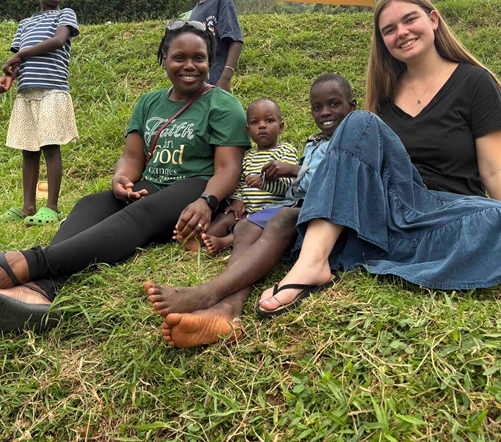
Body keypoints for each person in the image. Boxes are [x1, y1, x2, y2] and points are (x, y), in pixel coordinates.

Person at [257, 0, 501, 316]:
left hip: (444, 213)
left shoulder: (476, 83)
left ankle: (373, 250)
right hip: (393, 209)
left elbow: (496, 171)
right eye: (389, 30)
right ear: (383, 42)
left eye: (409, 20)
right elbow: (362, 170)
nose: (401, 33)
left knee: (498, 220)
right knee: (359, 122)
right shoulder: (383, 98)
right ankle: (313, 263)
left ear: (433, 19)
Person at [0, 20, 251, 334]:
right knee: (91, 204)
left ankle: (21, 264)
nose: (190, 66)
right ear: (164, 58)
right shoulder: (149, 102)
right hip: (152, 185)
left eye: (199, 58)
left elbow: (228, 168)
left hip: (197, 190)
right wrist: (121, 179)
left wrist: (207, 201)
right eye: (179, 57)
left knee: (138, 214)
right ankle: (40, 289)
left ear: (209, 60)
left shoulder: (223, 104)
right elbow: (132, 157)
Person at [143, 74, 356, 347]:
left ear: (352, 106)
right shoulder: (313, 144)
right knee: (245, 226)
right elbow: (298, 189)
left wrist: (293, 171)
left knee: (280, 216)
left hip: (325, 217)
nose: (325, 112)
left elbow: (334, 180)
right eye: (317, 107)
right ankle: (227, 311)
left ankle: (209, 293)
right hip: (299, 209)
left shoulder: (353, 138)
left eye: (334, 104)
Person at [0, 0, 79, 226]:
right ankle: (28, 206)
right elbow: (18, 64)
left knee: (50, 146)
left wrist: (20, 54)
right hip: (26, 93)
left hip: (52, 90)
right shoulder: (25, 24)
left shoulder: (65, 15)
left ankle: (51, 207)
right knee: (28, 150)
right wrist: (9, 77)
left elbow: (58, 41)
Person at [201, 97, 299, 255]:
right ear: (248, 130)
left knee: (254, 228)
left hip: (274, 209)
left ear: (280, 127)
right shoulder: (247, 158)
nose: (262, 125)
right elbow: (239, 183)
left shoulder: (286, 151)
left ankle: (224, 242)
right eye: (255, 122)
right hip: (249, 210)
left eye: (269, 120)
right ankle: (200, 239)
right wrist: (238, 200)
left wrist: (263, 183)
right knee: (225, 218)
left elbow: (289, 185)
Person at [189, 0, 243, 93]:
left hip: (216, 83)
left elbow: (236, 41)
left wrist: (225, 78)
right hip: (196, 83)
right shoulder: (194, 12)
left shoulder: (223, 0)